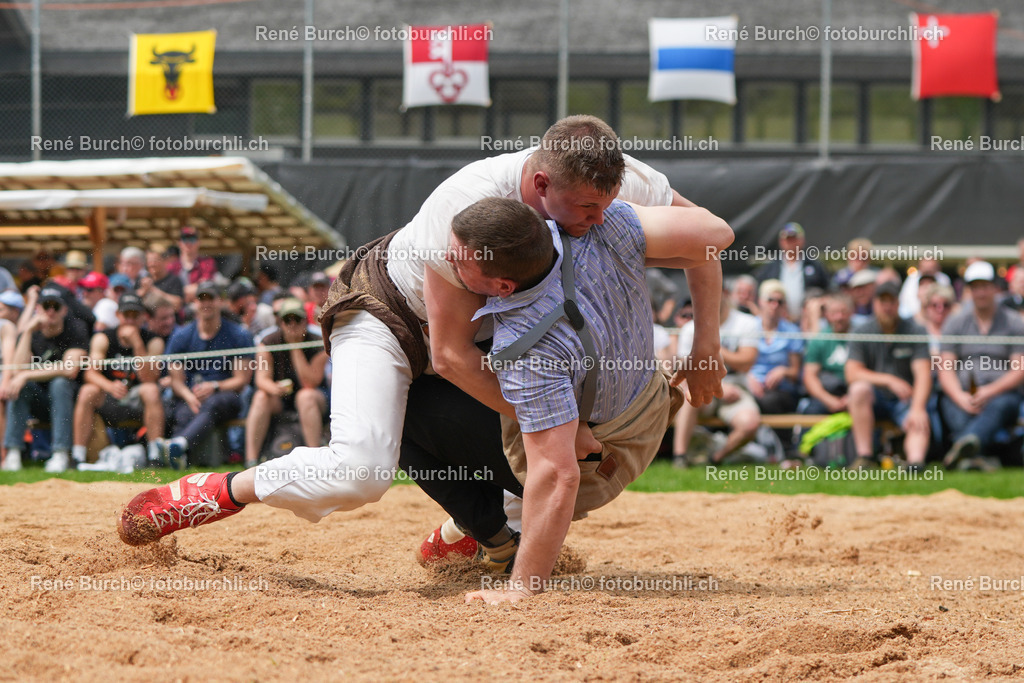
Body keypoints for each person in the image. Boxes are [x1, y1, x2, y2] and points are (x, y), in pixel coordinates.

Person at [115, 115, 724, 549]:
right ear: (541, 186)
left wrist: (704, 347)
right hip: (392, 315)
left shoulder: (605, 180)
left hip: (483, 328)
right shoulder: (462, 206)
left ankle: (485, 533)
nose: (602, 219)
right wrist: (562, 428)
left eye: (609, 204)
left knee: (558, 465)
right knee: (362, 471)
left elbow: (704, 237)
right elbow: (451, 354)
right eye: (589, 211)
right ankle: (219, 489)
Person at [400, 196, 729, 603]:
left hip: (600, 460)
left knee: (399, 401)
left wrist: (522, 588)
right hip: (649, 410)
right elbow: (717, 235)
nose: (447, 259)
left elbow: (559, 474)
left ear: (503, 287)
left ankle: (499, 542)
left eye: (458, 259)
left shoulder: (526, 348)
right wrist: (706, 346)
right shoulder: (604, 227)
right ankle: (475, 524)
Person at [154, 281, 254, 467]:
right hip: (192, 395)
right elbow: (175, 381)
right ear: (194, 303)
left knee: (213, 403)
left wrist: (215, 386)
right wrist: (188, 396)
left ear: (221, 301)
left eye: (211, 298)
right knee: (183, 412)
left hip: (227, 396)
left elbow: (241, 380)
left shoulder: (237, 334)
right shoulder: (182, 336)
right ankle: (180, 456)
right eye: (201, 299)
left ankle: (179, 444)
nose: (206, 303)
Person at [937, 262, 1024, 469]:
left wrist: (990, 391)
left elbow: (1019, 368)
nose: (981, 292)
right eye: (976, 287)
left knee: (1001, 405)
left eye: (985, 286)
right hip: (963, 393)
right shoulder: (955, 322)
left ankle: (964, 447)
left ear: (995, 287)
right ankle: (974, 455)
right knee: (949, 404)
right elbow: (945, 367)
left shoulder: (1014, 322)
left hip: (1001, 394)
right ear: (969, 290)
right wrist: (959, 396)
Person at [71, 294, 166, 467]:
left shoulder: (153, 341)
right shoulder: (103, 338)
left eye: (134, 315)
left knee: (151, 390)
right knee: (87, 391)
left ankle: (155, 456)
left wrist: (137, 344)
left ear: (143, 316)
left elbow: (149, 378)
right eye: (126, 314)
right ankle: (77, 456)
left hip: (137, 398)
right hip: (109, 397)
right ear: (118, 315)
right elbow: (90, 374)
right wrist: (109, 386)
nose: (130, 320)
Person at [1, 287, 89, 472]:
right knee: (21, 386)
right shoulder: (32, 332)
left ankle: (61, 454)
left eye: (55, 306)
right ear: (38, 309)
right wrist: (27, 333)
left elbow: (69, 369)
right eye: (46, 306)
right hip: (39, 400)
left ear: (64, 310)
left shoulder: (75, 328)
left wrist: (26, 374)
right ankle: (13, 453)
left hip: (69, 401)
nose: (50, 311)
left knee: (59, 383)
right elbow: (17, 369)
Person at [845, 281, 931, 470]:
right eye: (882, 301)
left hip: (905, 399)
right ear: (874, 303)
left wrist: (918, 407)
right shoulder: (862, 331)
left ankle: (916, 463)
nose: (887, 306)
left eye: (891, 301)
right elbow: (852, 373)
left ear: (898, 303)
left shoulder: (915, 330)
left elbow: (923, 373)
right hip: (875, 399)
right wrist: (889, 380)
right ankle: (865, 458)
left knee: (918, 414)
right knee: (858, 389)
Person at [672, 284, 760, 467]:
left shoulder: (747, 323)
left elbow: (746, 363)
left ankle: (715, 459)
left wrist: (713, 347)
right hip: (704, 389)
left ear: (725, 294)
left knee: (750, 424)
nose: (707, 296)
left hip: (737, 387)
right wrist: (718, 384)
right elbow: (685, 371)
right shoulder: (690, 328)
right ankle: (679, 458)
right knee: (690, 396)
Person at [244, 298, 328, 467]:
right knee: (261, 397)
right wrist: (274, 389)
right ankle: (250, 461)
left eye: (297, 320)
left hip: (315, 398)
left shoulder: (318, 342)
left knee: (305, 396)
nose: (292, 324)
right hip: (280, 398)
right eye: (287, 320)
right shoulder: (267, 342)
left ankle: (315, 460)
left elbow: (310, 382)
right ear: (280, 322)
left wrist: (295, 346)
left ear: (305, 320)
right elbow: (261, 380)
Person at [747, 280, 803, 414]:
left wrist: (783, 371)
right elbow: (740, 362)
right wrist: (748, 378)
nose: (775, 305)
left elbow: (795, 372)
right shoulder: (748, 327)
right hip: (751, 386)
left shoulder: (792, 331)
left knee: (769, 400)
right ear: (760, 301)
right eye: (770, 300)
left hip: (781, 391)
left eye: (780, 302)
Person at [754, 222, 829, 320]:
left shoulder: (814, 266)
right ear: (781, 241)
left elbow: (828, 290)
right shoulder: (770, 268)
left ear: (802, 240)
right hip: (779, 321)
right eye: (788, 239)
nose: (791, 242)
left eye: (794, 238)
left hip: (808, 321)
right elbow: (760, 293)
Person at [801, 292, 853, 415]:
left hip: (857, 393)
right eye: (834, 313)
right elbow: (809, 376)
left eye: (843, 312)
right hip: (827, 394)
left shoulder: (863, 336)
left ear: (852, 312)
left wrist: (853, 398)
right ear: (827, 315)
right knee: (811, 412)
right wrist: (828, 400)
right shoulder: (820, 339)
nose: (839, 317)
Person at [0, 290, 25, 466]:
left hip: (7, 374)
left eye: (2, 309)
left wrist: (5, 381)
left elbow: (8, 359)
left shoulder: (6, 326)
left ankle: (3, 454)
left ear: (15, 312)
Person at [168, 225, 217, 303]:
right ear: (179, 243)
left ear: (198, 242)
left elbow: (205, 286)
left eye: (192, 239)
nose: (188, 243)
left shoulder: (207, 262)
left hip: (199, 304)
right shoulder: (171, 266)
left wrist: (179, 293)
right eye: (185, 239)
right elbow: (168, 288)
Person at [138, 243, 184, 312]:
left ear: (165, 261)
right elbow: (133, 300)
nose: (152, 264)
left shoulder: (174, 280)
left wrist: (153, 290)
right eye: (149, 261)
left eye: (155, 260)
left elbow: (177, 305)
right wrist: (143, 291)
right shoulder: (142, 280)